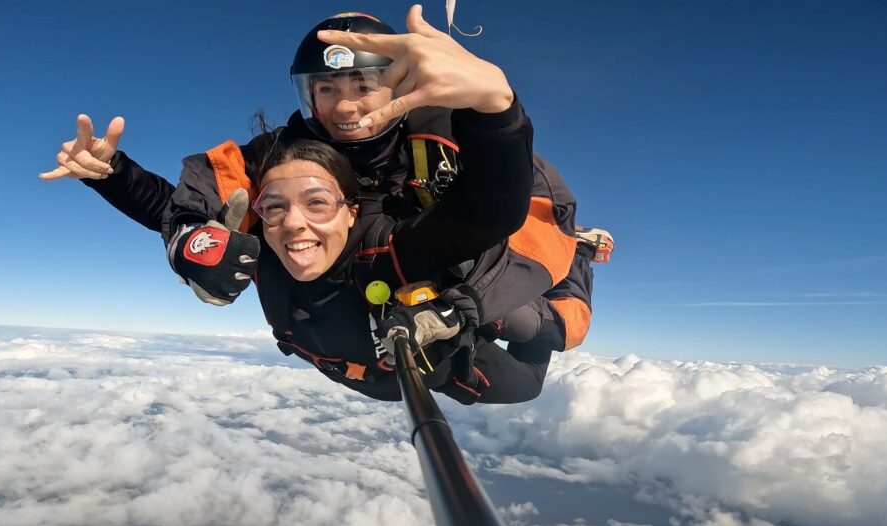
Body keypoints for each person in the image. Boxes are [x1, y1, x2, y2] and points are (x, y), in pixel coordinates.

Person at [40, 7, 607, 355]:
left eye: (364, 86)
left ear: (397, 86)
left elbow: (518, 219)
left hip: (480, 257)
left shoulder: (454, 135)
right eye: (328, 89)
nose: (346, 106)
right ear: (307, 95)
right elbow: (206, 201)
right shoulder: (282, 155)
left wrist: (497, 112)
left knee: (541, 341)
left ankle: (576, 261)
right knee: (288, 222)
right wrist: (121, 181)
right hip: (373, 281)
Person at [186, 107, 550, 404]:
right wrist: (181, 231)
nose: (293, 222)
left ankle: (555, 276)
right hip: (369, 375)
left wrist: (495, 108)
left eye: (317, 203)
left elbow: (493, 209)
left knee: (528, 344)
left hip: (444, 367)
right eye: (274, 206)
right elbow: (164, 203)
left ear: (351, 211)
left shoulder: (393, 249)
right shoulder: (265, 253)